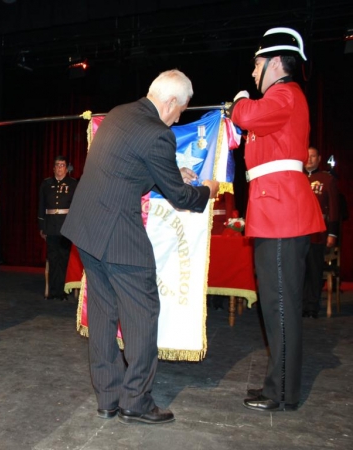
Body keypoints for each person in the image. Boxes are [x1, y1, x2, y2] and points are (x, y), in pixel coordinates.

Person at [61, 70, 219, 425]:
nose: (179, 118)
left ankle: (108, 398)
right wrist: (208, 189)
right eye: (180, 110)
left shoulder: (119, 114)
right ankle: (136, 400)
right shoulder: (158, 134)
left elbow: (130, 165)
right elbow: (180, 198)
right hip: (119, 234)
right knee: (143, 315)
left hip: (87, 229)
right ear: (170, 102)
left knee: (103, 314)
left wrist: (173, 170)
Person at [227, 27, 325, 412]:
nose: (253, 74)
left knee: (280, 306)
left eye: (256, 65)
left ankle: (282, 392)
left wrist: (238, 102)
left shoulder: (286, 94)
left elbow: (248, 113)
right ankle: (276, 386)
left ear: (276, 63)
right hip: (275, 212)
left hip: (283, 214)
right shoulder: (283, 99)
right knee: (274, 305)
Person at [302, 146, 339, 318]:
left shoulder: (327, 179)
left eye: (313, 156)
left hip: (318, 232)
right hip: (297, 232)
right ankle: (300, 305)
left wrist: (332, 233)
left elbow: (333, 209)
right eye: (307, 156)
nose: (309, 159)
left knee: (314, 270)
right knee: (299, 271)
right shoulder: (296, 177)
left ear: (319, 158)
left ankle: (312, 307)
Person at [38, 155, 78, 301]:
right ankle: (53, 290)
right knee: (53, 258)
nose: (60, 168)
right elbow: (41, 206)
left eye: (62, 165)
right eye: (57, 165)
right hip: (51, 226)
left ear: (66, 169)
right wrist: (42, 226)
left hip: (66, 226)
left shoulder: (73, 184)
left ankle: (62, 291)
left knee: (64, 259)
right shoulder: (46, 184)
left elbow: (76, 208)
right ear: (53, 168)